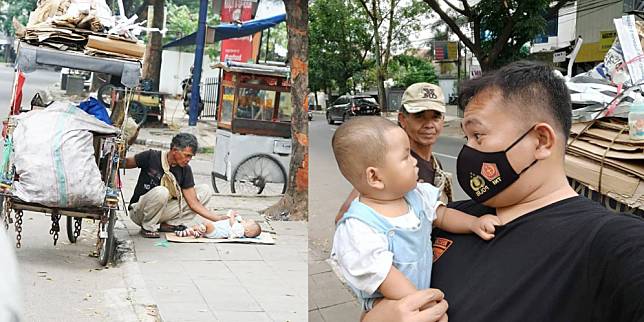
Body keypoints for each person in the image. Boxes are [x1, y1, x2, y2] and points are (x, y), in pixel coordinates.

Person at [364, 61, 644, 322]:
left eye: (478, 136)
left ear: (541, 141)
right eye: (466, 137)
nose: (468, 150)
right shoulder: (446, 218)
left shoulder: (613, 244)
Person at [331, 116, 500, 312]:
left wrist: (473, 223)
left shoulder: (416, 195)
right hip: (390, 302)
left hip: (422, 291)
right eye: (405, 157)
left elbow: (442, 215)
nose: (414, 161)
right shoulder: (359, 227)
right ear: (375, 177)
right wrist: (422, 302)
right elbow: (384, 276)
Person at [335, 83, 453, 224]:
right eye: (419, 116)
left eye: (435, 117)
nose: (429, 125)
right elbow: (344, 217)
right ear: (403, 119)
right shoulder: (393, 166)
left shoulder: (434, 162)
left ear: (443, 120)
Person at [124, 133, 228, 238]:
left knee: (205, 191)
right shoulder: (151, 156)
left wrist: (218, 219)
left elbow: (193, 203)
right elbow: (126, 163)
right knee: (162, 191)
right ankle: (147, 227)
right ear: (174, 150)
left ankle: (169, 224)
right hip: (139, 212)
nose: (188, 160)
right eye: (186, 155)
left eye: (191, 157)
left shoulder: (185, 170)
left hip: (162, 212)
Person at [175, 210, 262, 239]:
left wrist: (232, 216)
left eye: (246, 222)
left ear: (247, 230)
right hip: (215, 228)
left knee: (207, 223)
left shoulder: (240, 231)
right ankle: (189, 231)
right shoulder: (239, 226)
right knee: (199, 226)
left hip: (216, 232)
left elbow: (232, 223)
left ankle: (199, 232)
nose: (244, 221)